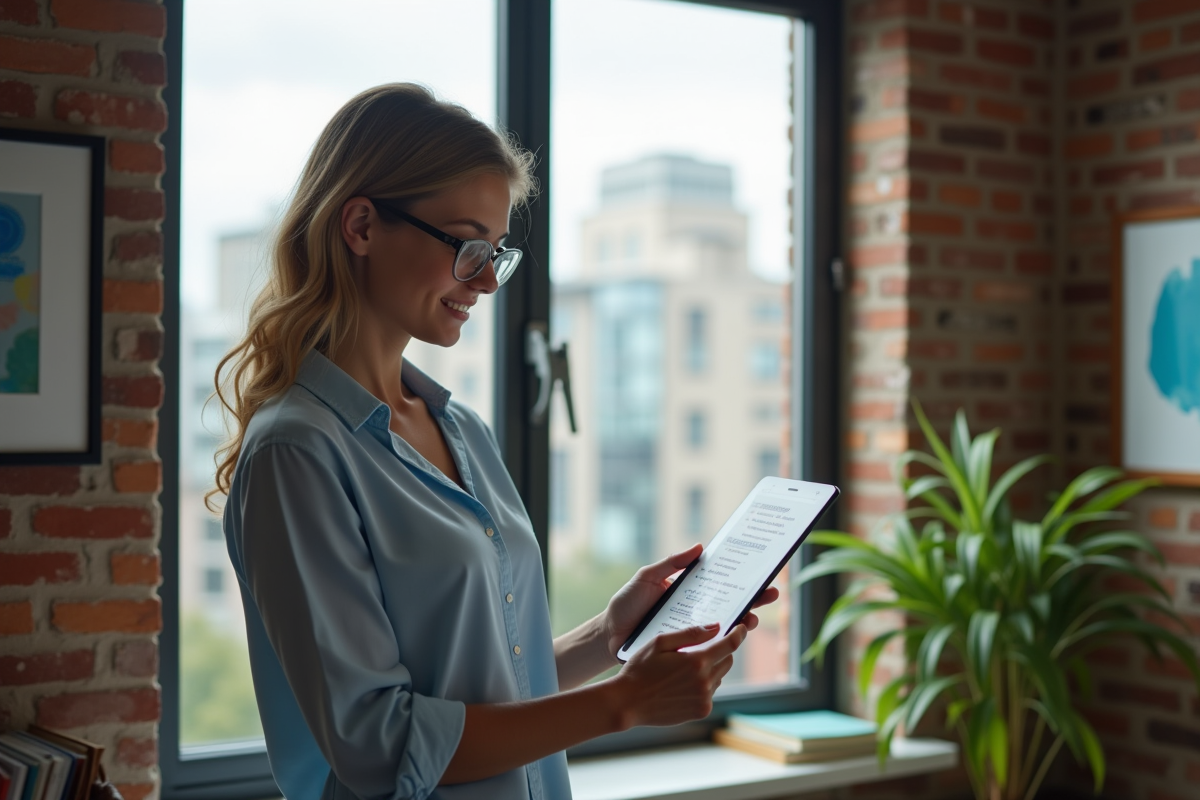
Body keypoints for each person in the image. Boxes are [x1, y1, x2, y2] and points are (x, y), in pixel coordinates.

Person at [210, 83, 779, 800]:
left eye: (496, 252)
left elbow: (490, 673)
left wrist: (610, 634)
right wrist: (625, 702)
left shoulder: (460, 428)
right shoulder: (297, 454)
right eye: (466, 246)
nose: (485, 280)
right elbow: (381, 746)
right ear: (360, 225)